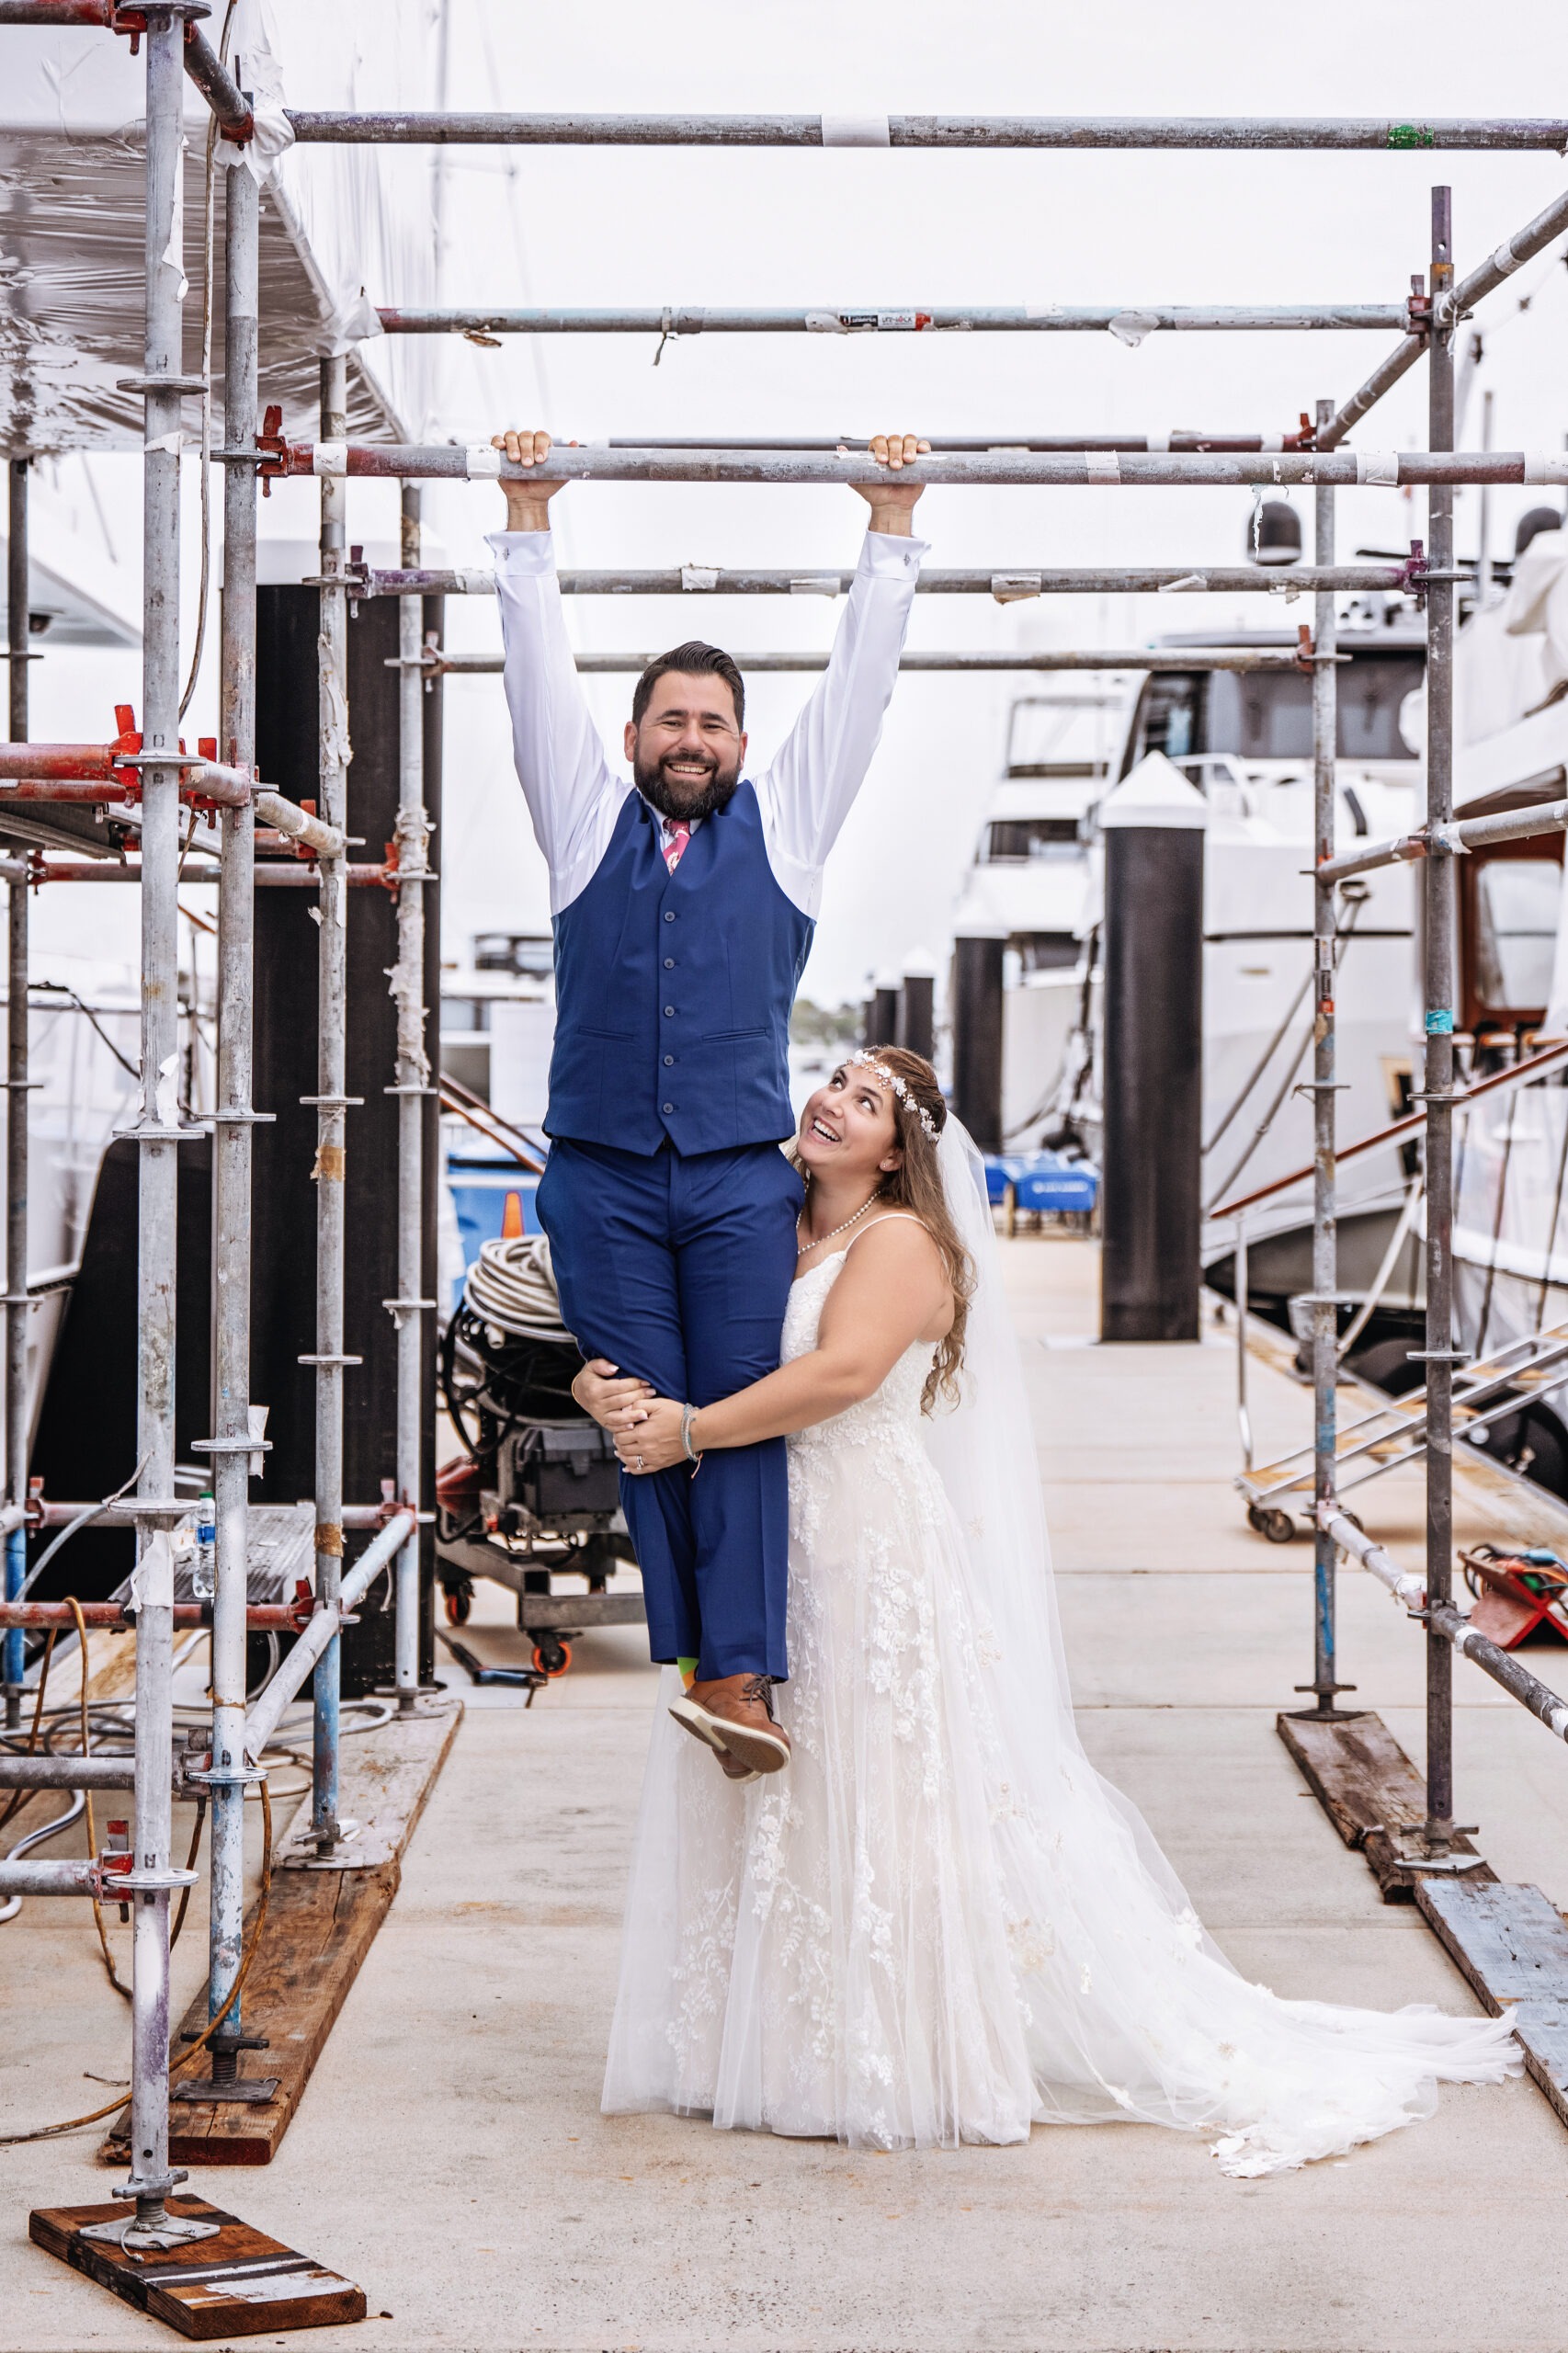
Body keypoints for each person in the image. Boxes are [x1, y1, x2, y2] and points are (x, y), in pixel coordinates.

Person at [572, 1047, 1520, 2171]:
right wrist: (603, 1381)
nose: (830, 1102)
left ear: (897, 1149)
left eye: (864, 1102)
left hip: (858, 1537)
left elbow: (839, 1375)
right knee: (782, 1779)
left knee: (873, 1780)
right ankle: (766, 2041)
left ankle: (892, 2050)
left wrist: (683, 1431)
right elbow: (675, 1340)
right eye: (831, 1081)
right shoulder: (769, 1221)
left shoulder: (900, 1243)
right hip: (764, 1533)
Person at [489, 426, 929, 1772]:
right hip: (604, 1172)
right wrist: (525, 517)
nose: (690, 739)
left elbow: (856, 694)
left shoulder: (784, 831)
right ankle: (697, 1661)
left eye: (711, 722)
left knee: (737, 1412)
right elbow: (530, 688)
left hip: (740, 1173)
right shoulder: (581, 823)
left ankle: (740, 1677)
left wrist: (890, 525)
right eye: (669, 720)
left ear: (742, 741)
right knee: (638, 1412)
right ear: (634, 738)